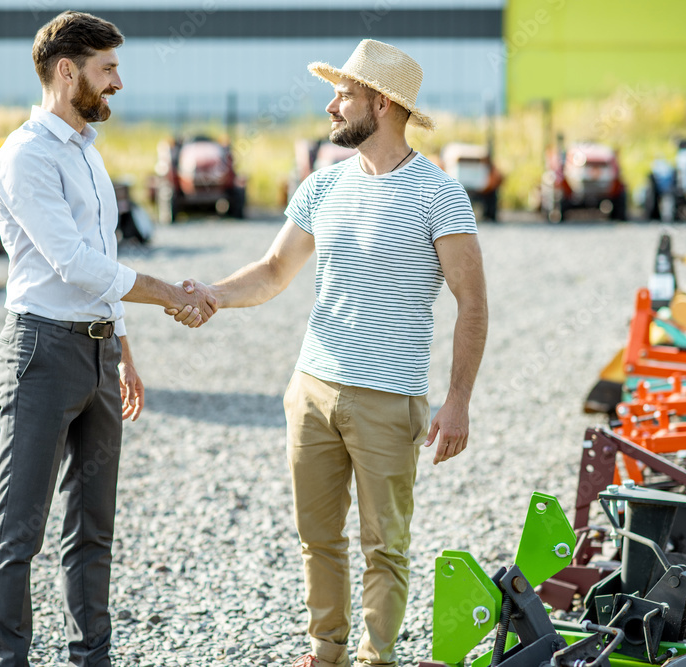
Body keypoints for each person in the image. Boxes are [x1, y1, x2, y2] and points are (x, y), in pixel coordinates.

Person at [179, 39, 488, 667]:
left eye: (343, 93)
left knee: (384, 545)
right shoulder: (323, 186)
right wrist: (210, 294)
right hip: (312, 387)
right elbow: (271, 271)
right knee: (317, 537)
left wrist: (457, 402)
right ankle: (325, 653)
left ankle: (377, 658)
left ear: (380, 102)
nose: (330, 104)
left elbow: (473, 303)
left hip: (389, 398)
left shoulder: (439, 194)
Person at [0, 11, 213, 667]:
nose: (118, 81)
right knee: (20, 524)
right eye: (107, 67)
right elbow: (75, 266)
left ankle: (93, 657)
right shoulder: (26, 155)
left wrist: (123, 350)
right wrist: (171, 291)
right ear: (67, 70)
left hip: (97, 353)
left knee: (94, 526)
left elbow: (102, 258)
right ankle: (9, 659)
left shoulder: (87, 150)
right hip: (40, 353)